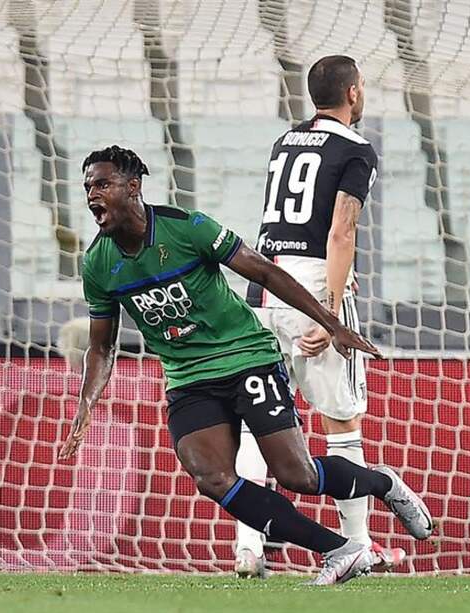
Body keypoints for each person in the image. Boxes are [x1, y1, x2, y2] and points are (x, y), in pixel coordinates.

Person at [59, 145, 434, 585]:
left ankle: (382, 484)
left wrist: (332, 323)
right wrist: (86, 405)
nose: (92, 195)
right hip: (189, 378)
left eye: (103, 184)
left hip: (247, 358)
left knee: (298, 475)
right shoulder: (98, 264)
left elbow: (266, 273)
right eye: (87, 187)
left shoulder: (187, 228)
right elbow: (101, 348)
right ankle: (341, 550)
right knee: (211, 477)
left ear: (134, 186)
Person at [233, 54, 400, 578]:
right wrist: (329, 315)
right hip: (310, 285)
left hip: (261, 288)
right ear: (353, 93)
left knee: (257, 422)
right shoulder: (356, 150)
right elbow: (340, 231)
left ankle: (248, 548)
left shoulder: (284, 142)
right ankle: (359, 545)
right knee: (341, 419)